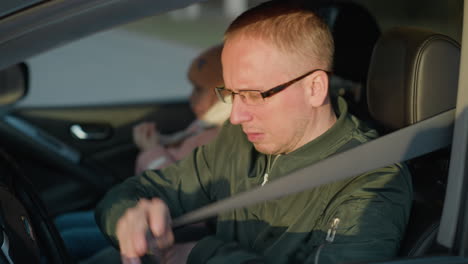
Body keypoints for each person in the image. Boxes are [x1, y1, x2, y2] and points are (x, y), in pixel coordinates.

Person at [95, 1, 412, 264]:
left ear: (315, 88)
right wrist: (127, 219)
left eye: (253, 95)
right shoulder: (238, 142)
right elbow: (134, 192)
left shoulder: (373, 180)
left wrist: (199, 254)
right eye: (231, 94)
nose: (235, 115)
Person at [55, 43, 228, 262]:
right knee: (62, 224)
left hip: (171, 227)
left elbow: (186, 191)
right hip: (147, 210)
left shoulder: (221, 138)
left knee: (69, 240)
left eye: (199, 90)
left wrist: (151, 150)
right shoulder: (204, 125)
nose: (191, 98)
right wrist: (160, 142)